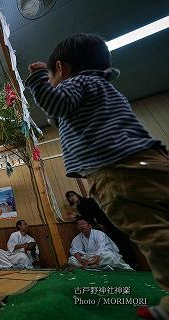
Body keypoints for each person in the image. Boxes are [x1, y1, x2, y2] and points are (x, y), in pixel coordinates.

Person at [25, 33, 168, 319]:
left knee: (152, 230)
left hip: (118, 170)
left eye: (53, 75)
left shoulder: (78, 82)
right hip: (147, 161)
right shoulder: (98, 86)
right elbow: (66, 114)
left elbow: (55, 104)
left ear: (62, 69)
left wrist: (39, 79)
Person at [65, 190, 137, 267]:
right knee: (116, 242)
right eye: (69, 197)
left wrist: (99, 223)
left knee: (121, 240)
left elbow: (96, 212)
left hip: (108, 221)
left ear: (77, 195)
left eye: (73, 195)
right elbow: (88, 217)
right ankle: (127, 261)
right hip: (101, 224)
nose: (72, 198)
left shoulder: (87, 200)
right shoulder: (79, 206)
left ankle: (132, 262)